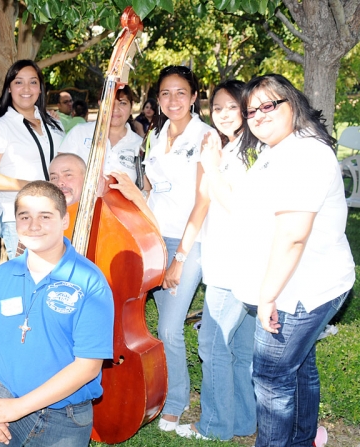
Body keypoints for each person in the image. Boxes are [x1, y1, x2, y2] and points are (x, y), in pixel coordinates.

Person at [214, 74, 353, 447]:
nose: (257, 115)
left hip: (300, 290)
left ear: (293, 104)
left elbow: (293, 236)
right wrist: (213, 172)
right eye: (251, 109)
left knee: (271, 379)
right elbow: (245, 212)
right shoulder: (275, 152)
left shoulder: (305, 154)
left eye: (268, 105)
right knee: (298, 365)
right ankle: (304, 439)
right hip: (291, 285)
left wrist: (267, 297)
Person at [0, 181, 114, 447]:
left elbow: (88, 366)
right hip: (1, 397)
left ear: (65, 220)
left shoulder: (90, 281)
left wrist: (18, 408)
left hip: (64, 414)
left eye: (45, 216)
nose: (33, 225)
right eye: (24, 217)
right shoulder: (0, 276)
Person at [175, 80, 256, 441]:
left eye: (231, 107)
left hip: (234, 266)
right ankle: (242, 421)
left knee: (213, 344)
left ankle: (214, 425)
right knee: (238, 348)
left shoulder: (245, 154)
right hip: (231, 264)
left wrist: (211, 164)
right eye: (218, 108)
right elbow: (204, 202)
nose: (223, 114)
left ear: (246, 108)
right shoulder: (229, 148)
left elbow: (237, 208)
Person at [143, 65, 216, 432]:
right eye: (166, 93)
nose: (173, 100)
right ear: (158, 99)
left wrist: (180, 258)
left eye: (181, 92)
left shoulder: (205, 137)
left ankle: (176, 401)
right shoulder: (156, 136)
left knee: (171, 328)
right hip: (155, 241)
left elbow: (203, 202)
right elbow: (152, 192)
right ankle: (164, 389)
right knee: (160, 328)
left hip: (189, 241)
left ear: (194, 97)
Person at [0, 60, 64, 260]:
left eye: (33, 82)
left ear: (40, 89)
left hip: (55, 214)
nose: (26, 89)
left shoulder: (55, 123)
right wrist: (35, 186)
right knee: (27, 278)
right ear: (9, 88)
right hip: (19, 217)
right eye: (18, 82)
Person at [59, 85, 143, 183]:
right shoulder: (79, 132)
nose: (115, 109)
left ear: (131, 106)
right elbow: (59, 171)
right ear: (100, 104)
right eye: (109, 102)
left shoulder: (139, 144)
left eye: (122, 103)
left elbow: (145, 188)